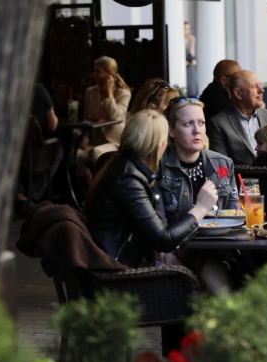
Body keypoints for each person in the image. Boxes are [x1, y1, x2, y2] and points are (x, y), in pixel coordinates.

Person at [83, 110, 218, 268]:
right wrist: (201, 208)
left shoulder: (125, 167)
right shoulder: (127, 179)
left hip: (123, 261)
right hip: (120, 271)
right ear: (159, 146)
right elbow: (164, 240)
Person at [160, 97, 241, 223]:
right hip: (177, 241)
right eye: (188, 123)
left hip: (218, 240)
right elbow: (159, 229)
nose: (197, 130)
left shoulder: (223, 163)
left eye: (201, 123)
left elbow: (235, 218)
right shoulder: (158, 165)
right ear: (171, 130)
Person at [208, 70, 267, 165]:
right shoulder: (218, 123)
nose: (262, 90)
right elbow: (221, 165)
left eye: (260, 85)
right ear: (238, 93)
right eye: (254, 86)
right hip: (240, 178)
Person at [77, 56, 132, 186]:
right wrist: (84, 138)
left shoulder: (123, 94)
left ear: (109, 74)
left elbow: (116, 117)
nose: (94, 75)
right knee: (76, 155)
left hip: (114, 141)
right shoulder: (90, 92)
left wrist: (109, 95)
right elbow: (87, 119)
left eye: (98, 71)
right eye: (94, 71)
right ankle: (92, 190)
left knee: (96, 153)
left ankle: (105, 190)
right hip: (94, 141)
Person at [15, 83, 63, 215]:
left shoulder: (8, 89)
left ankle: (19, 194)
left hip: (14, 153)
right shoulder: (40, 91)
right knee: (58, 151)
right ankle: (30, 195)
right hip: (37, 156)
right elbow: (53, 126)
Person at [185, 22, 198, 96]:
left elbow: (193, 60)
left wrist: (192, 45)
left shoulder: (187, 44)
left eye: (188, 29)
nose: (188, 31)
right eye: (186, 29)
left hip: (191, 74)